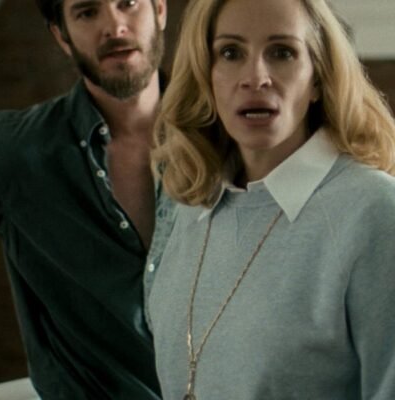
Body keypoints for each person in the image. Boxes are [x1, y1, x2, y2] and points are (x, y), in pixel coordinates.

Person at [146, 0, 395, 398]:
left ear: (318, 79)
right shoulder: (190, 206)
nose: (256, 78)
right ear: (206, 76)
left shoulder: (375, 212)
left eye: (282, 53)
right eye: (231, 53)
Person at [0, 0, 174, 398]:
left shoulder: (228, 140)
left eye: (128, 3)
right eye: (87, 12)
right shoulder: (17, 152)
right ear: (62, 36)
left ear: (159, 9)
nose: (115, 26)